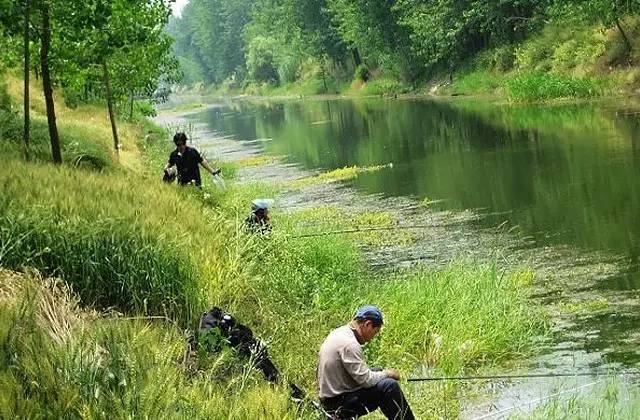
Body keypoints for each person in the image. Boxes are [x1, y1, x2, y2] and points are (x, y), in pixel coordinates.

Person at [317, 305, 415, 419]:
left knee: (377, 371)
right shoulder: (350, 344)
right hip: (337, 404)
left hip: (331, 397)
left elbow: (361, 375)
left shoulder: (340, 332)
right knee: (389, 386)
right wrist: (388, 374)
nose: (372, 338)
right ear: (367, 324)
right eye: (375, 331)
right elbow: (366, 381)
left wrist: (381, 373)